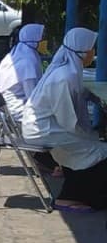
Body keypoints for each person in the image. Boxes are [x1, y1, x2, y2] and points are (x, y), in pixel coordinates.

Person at [22, 28, 107, 212]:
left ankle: (74, 189)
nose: (93, 52)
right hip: (45, 131)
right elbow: (68, 120)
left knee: (92, 142)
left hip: (47, 126)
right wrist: (89, 135)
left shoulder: (67, 71)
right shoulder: (66, 77)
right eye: (91, 48)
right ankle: (67, 197)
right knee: (97, 150)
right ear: (82, 50)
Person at [0, 24, 45, 124]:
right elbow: (32, 95)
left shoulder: (16, 54)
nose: (44, 41)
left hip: (5, 105)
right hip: (16, 109)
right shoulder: (28, 61)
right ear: (34, 38)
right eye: (42, 38)